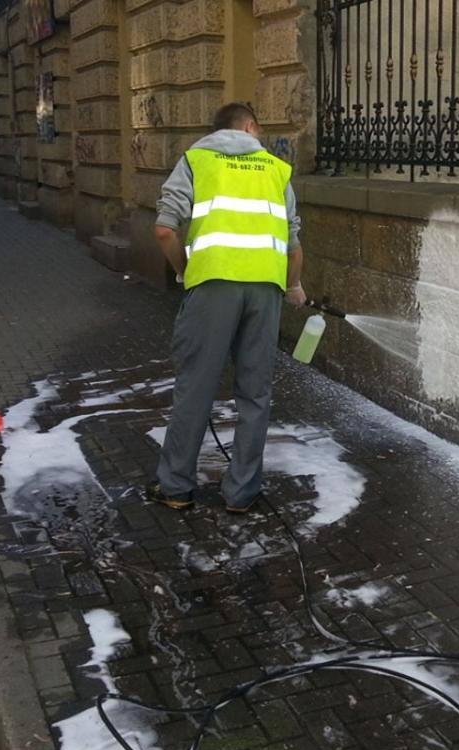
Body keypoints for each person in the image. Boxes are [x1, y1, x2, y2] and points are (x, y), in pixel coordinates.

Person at [146, 102, 306, 514]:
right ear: (251, 126)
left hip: (213, 286)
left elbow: (165, 230)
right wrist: (294, 287)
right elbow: (292, 243)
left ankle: (176, 487)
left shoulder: (196, 160)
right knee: (255, 394)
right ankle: (241, 493)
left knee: (195, 388)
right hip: (266, 291)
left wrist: (185, 272)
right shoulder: (276, 169)